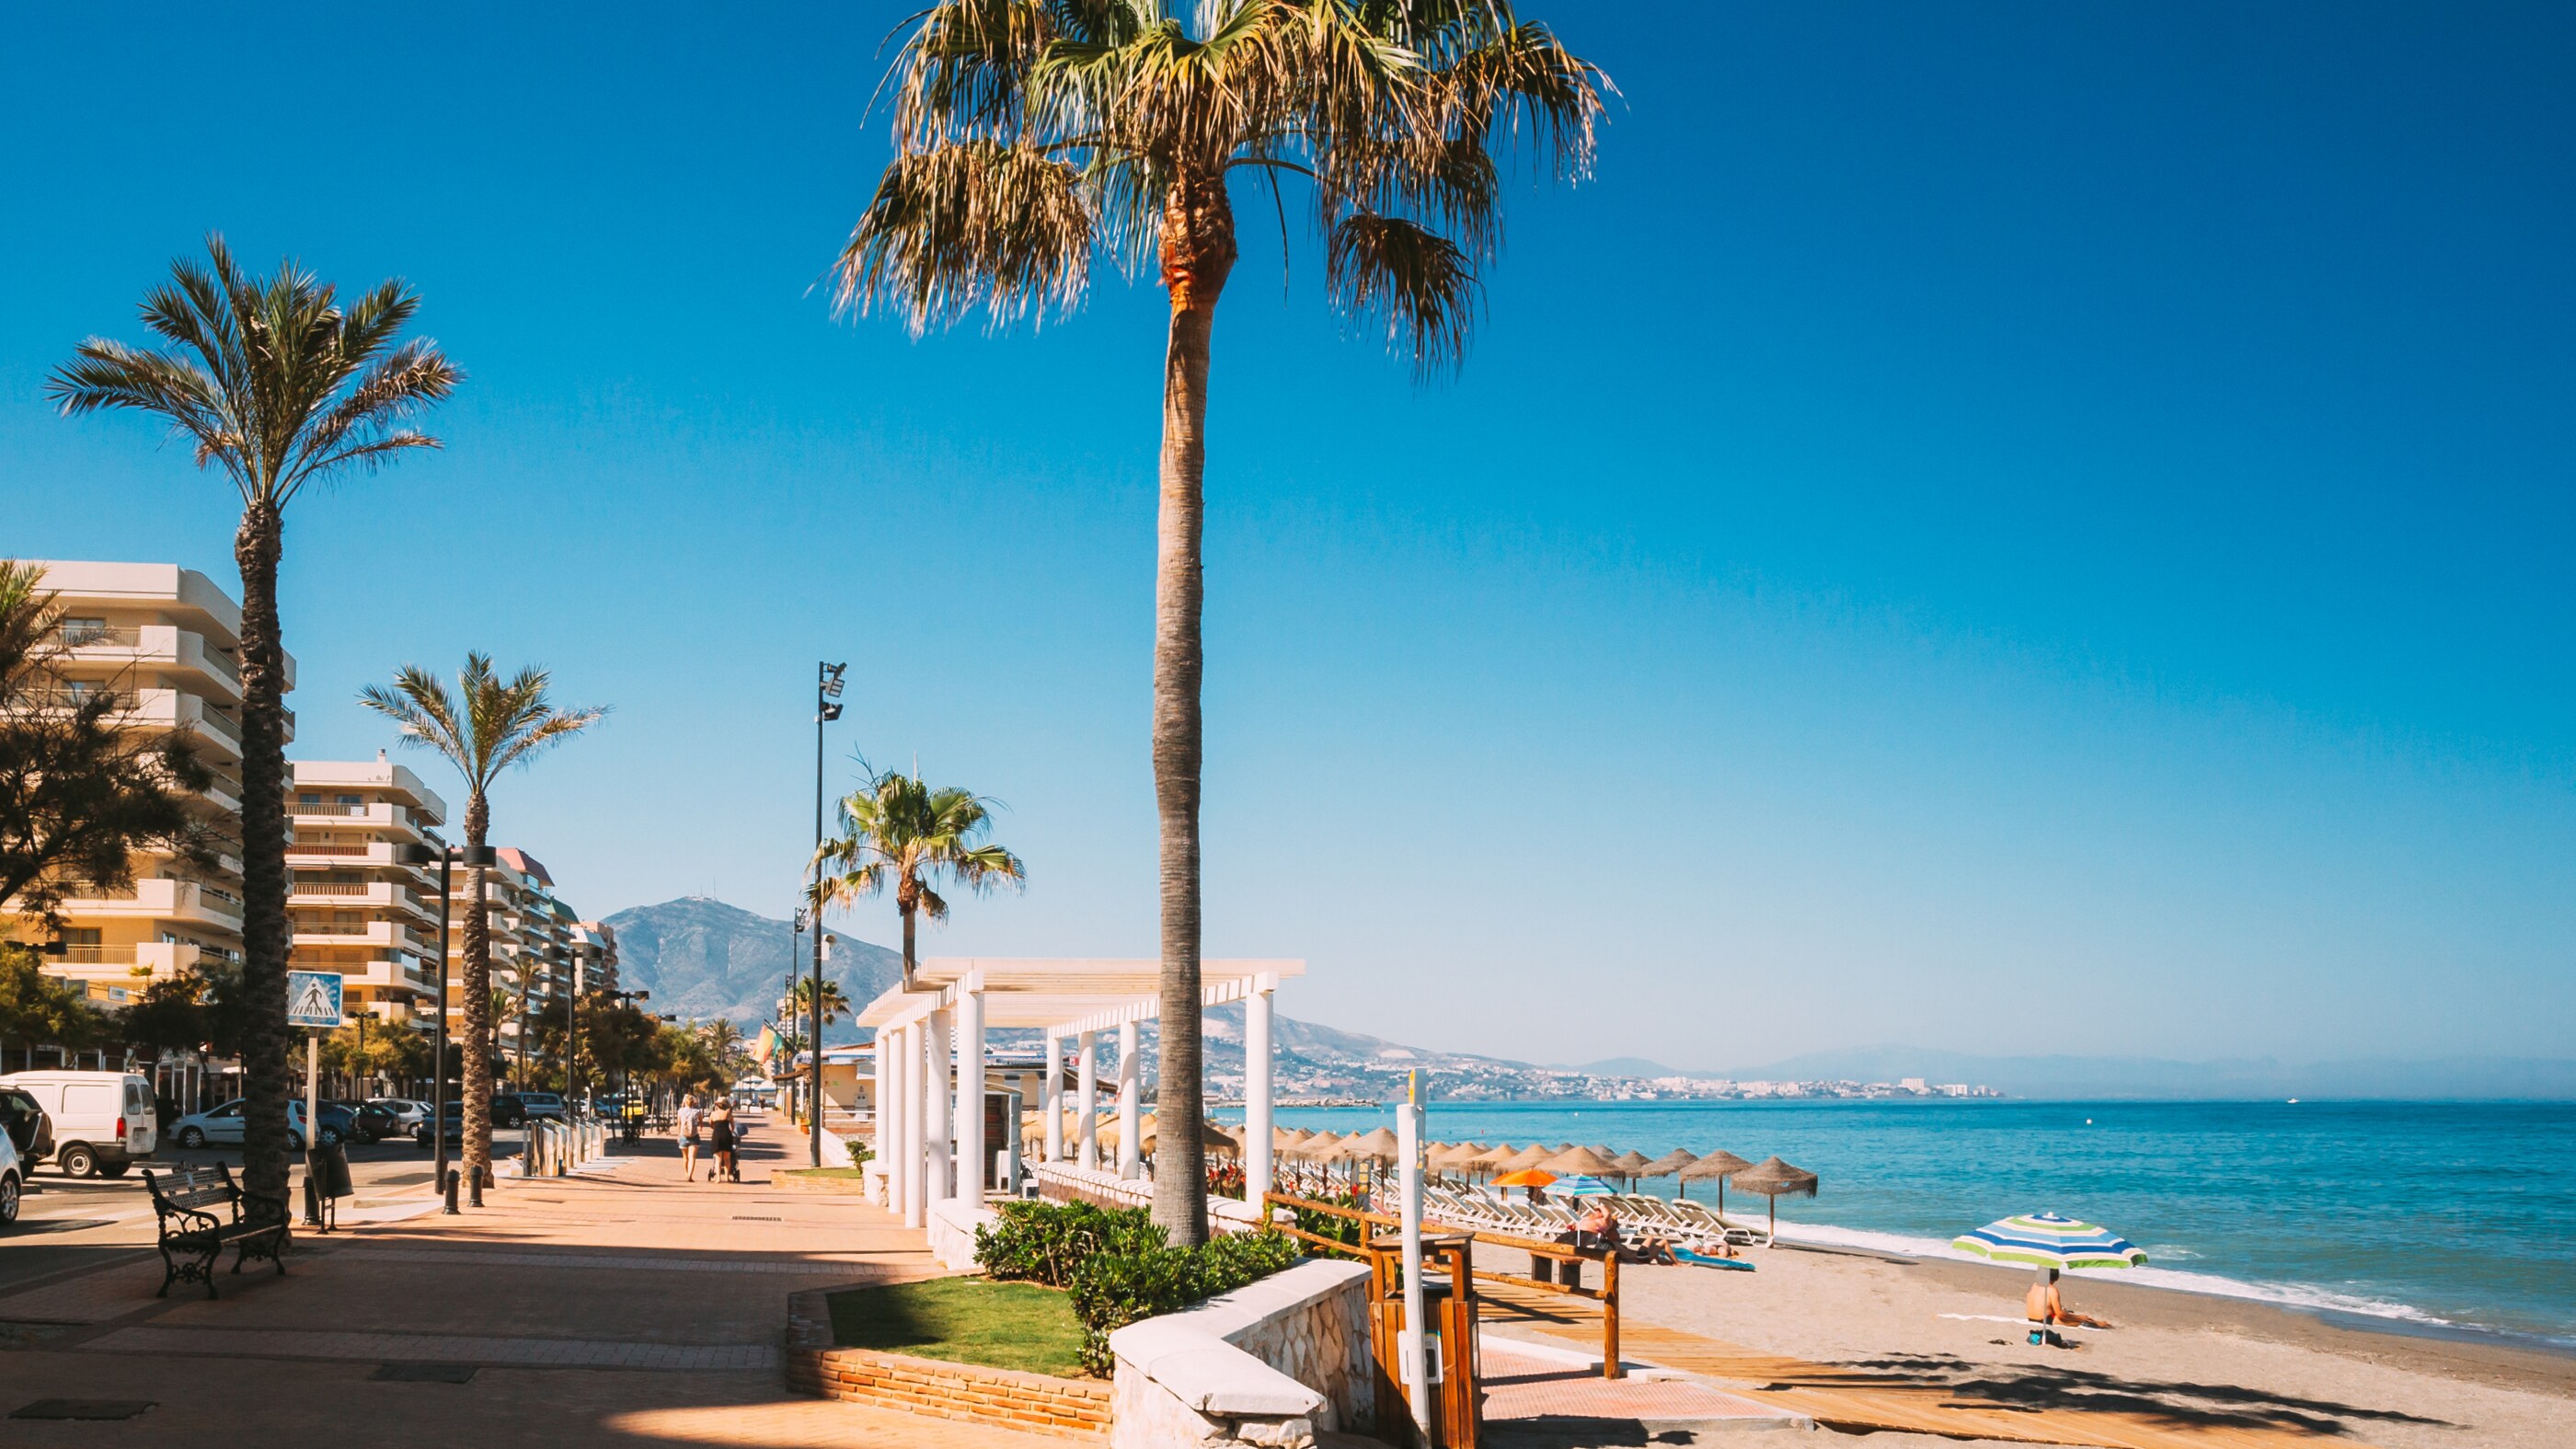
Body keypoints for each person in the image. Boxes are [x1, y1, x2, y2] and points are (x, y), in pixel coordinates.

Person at [705, 1098, 737, 1184]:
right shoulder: (728, 1114)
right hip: (727, 1135)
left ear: (717, 1105)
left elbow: (710, 1124)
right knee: (727, 1158)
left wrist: (716, 1128)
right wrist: (730, 1131)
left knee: (718, 1158)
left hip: (717, 1135)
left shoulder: (713, 1114)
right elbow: (733, 1126)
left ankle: (718, 1178)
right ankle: (727, 1177)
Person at [675, 1094, 704, 1181]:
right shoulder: (697, 1112)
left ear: (684, 1102)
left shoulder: (680, 1111)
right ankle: (690, 1176)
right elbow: (701, 1121)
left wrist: (678, 1135)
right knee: (692, 1157)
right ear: (693, 1103)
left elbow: (679, 1124)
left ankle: (686, 1173)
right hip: (694, 1136)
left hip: (683, 1136)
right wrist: (700, 1127)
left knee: (685, 1158)